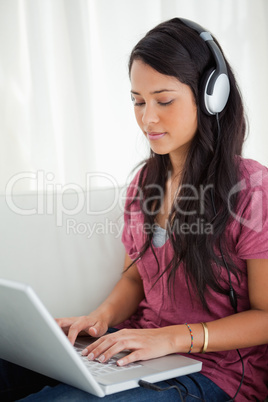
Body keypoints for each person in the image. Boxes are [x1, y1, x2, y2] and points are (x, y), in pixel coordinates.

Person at [1, 17, 268, 402]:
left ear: (212, 96)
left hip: (217, 373)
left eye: (163, 100)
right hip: (140, 347)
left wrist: (173, 337)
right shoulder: (146, 183)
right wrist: (101, 317)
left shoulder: (252, 189)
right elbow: (134, 280)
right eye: (138, 101)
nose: (148, 118)